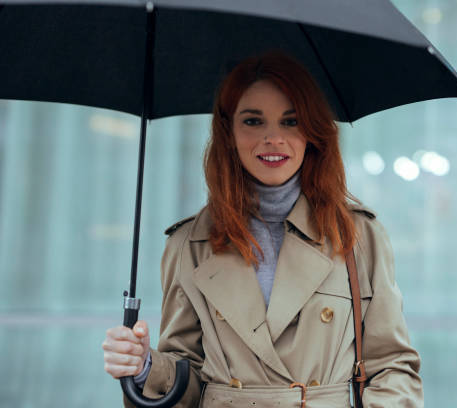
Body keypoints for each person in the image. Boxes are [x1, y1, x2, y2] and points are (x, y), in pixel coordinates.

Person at [102, 51, 423, 407]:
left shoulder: (356, 234)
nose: (273, 138)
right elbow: (186, 381)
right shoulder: (190, 243)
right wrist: (146, 366)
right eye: (253, 122)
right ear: (229, 132)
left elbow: (392, 365)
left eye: (291, 121)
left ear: (313, 132)